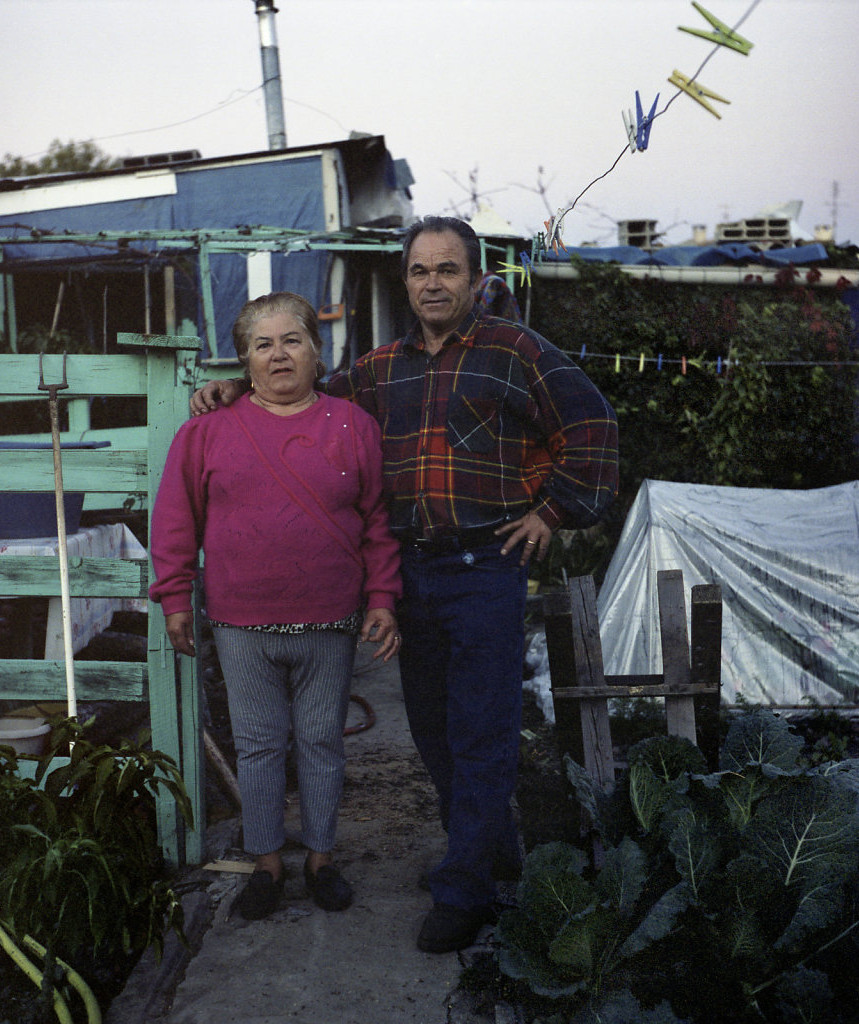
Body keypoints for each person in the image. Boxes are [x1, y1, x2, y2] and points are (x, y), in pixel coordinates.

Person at [190, 217, 618, 952]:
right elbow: (302, 388)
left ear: (478, 280)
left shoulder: (517, 353)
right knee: (433, 728)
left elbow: (594, 429)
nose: (433, 284)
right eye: (420, 271)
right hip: (411, 572)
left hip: (486, 569)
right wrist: (233, 387)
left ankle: (466, 891)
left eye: (448, 270)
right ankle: (487, 852)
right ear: (406, 281)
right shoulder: (382, 368)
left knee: (481, 731)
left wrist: (551, 512)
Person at [150, 291, 402, 921]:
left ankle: (320, 859)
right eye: (262, 344)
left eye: (292, 340)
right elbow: (176, 521)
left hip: (330, 619)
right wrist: (174, 597)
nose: (279, 354)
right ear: (244, 361)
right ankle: (265, 863)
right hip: (241, 623)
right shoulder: (205, 432)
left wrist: (382, 598)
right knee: (260, 745)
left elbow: (378, 523)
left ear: (318, 352)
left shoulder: (353, 426)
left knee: (321, 741)